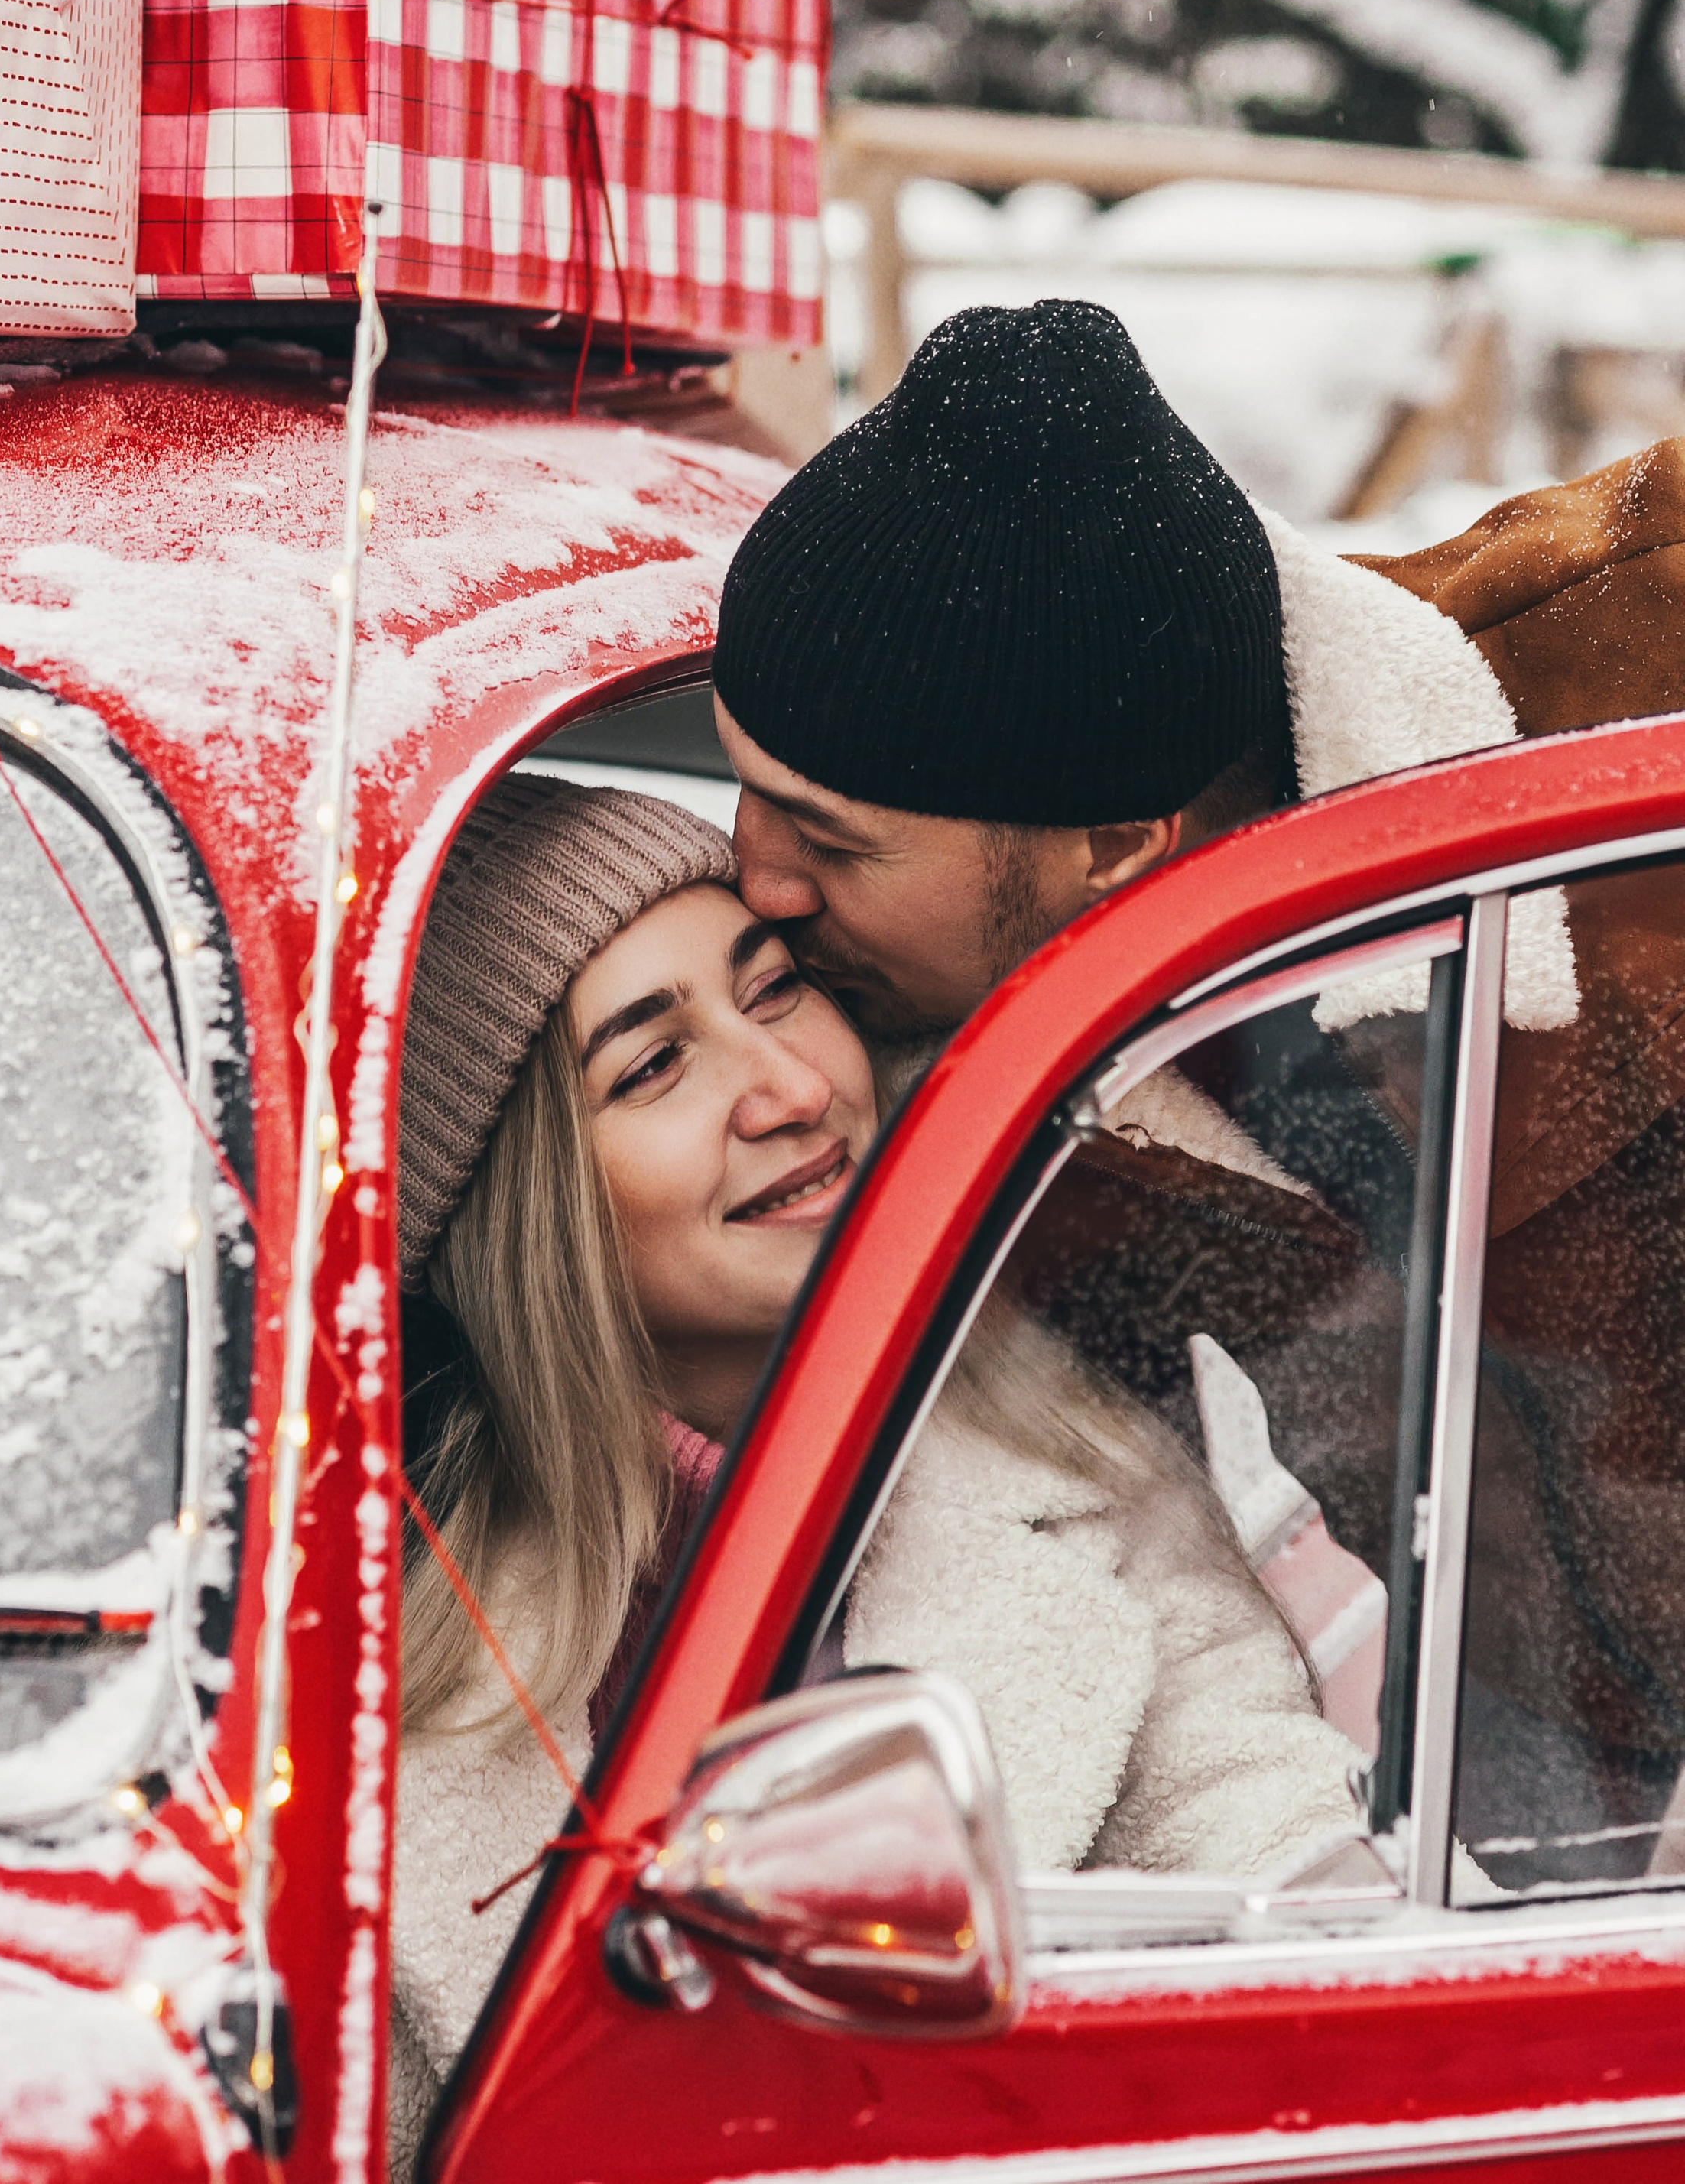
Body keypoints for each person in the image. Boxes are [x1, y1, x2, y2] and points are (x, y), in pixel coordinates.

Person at [711, 298, 1685, 1881]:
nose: (757, 883)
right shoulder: (978, 1087)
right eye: (741, 786)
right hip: (1555, 1797)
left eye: (828, 840)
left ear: (1112, 848)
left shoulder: (1612, 668)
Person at [388, 775, 1361, 2161]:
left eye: (775, 989)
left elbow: (1296, 1921)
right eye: (654, 1066)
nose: (789, 1089)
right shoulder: (376, 1659)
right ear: (520, 1210)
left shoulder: (1070, 1447)